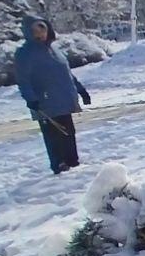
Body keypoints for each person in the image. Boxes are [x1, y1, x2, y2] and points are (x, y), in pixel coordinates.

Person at [14, 16, 92, 175]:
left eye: (42, 29)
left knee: (69, 134)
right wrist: (31, 99)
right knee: (54, 137)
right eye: (35, 31)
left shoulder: (54, 50)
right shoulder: (25, 54)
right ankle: (60, 165)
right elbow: (23, 80)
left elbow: (67, 74)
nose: (40, 34)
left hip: (64, 100)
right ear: (28, 32)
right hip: (45, 103)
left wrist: (81, 90)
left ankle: (73, 163)